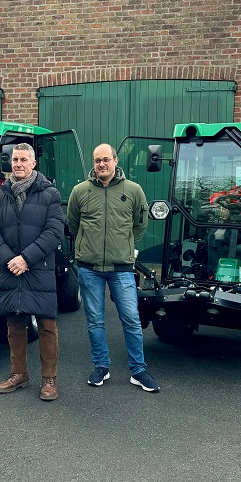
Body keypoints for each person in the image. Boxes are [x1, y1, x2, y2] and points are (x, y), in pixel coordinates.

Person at [67, 144, 159, 392]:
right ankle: (101, 367)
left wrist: (123, 247)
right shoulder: (80, 191)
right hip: (89, 268)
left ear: (116, 161)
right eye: (97, 161)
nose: (101, 165)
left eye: (106, 160)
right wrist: (88, 247)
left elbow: (139, 225)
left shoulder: (133, 191)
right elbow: (73, 224)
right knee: (95, 320)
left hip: (122, 268)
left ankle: (138, 370)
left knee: (130, 319)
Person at [0, 144, 64, 401]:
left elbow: (54, 231)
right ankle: (19, 374)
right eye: (14, 159)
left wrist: (26, 258)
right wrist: (10, 259)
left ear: (33, 163)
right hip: (10, 268)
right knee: (14, 324)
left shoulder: (50, 194)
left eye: (23, 159)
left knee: (46, 324)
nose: (18, 164)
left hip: (38, 268)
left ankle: (49, 379)